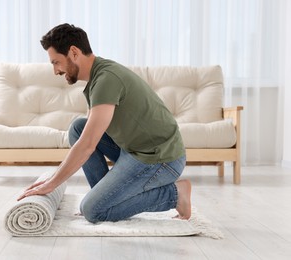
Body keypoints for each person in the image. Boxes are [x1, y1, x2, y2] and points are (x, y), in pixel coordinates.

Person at [17, 23, 192, 222]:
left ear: (74, 52)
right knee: (78, 128)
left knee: (93, 211)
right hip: (134, 150)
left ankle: (175, 194)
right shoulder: (98, 77)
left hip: (160, 159)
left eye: (56, 62)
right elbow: (87, 134)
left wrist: (51, 183)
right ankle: (104, 197)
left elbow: (88, 145)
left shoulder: (106, 79)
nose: (56, 71)